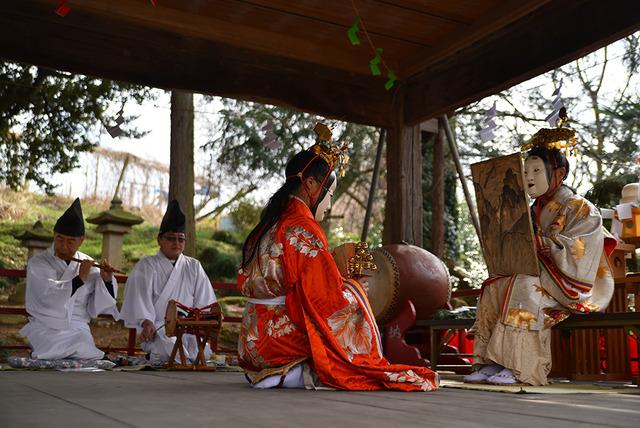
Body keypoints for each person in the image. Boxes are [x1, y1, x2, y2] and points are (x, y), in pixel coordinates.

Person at [237, 126, 438, 391]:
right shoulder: (302, 229)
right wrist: (356, 289)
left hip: (250, 340)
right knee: (347, 321)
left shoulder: (268, 223)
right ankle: (294, 371)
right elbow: (325, 299)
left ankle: (277, 372)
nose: (329, 204)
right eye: (329, 195)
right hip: (278, 342)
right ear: (310, 185)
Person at [465, 127, 615, 385]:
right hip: (537, 275)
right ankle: (492, 361)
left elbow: (581, 249)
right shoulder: (529, 209)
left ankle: (519, 366)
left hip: (566, 283)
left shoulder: (580, 207)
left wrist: (545, 245)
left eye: (536, 170)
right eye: (525, 172)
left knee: (524, 287)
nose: (529, 177)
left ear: (559, 173)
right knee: (494, 286)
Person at [20, 198, 118, 360]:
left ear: (81, 241)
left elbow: (102, 304)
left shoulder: (89, 264)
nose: (64, 246)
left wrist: (106, 279)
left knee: (82, 343)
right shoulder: (38, 263)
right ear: (54, 235)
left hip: (78, 326)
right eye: (60, 239)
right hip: (46, 325)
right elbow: (47, 293)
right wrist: (79, 279)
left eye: (70, 241)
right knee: (72, 349)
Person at [120, 199, 217, 364]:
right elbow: (139, 299)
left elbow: (205, 301)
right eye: (171, 238)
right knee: (167, 351)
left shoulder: (194, 266)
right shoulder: (146, 265)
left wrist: (202, 324)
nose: (176, 243)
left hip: (188, 329)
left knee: (202, 353)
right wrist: (146, 322)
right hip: (158, 329)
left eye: (181, 239)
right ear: (159, 240)